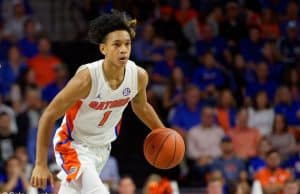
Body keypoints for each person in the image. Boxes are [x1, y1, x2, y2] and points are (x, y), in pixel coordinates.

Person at [30, 11, 165, 194]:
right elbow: (49, 114)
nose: (123, 49)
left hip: (103, 149)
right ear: (103, 49)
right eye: (116, 45)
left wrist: (162, 132)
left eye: (127, 44)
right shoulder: (87, 79)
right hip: (73, 145)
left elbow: (141, 106)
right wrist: (40, 164)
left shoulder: (138, 76)